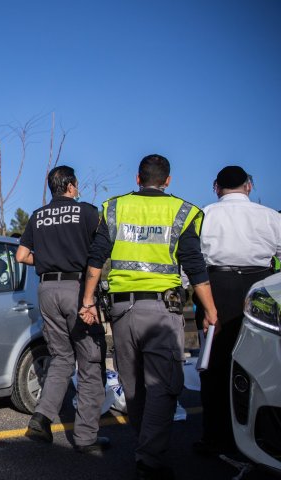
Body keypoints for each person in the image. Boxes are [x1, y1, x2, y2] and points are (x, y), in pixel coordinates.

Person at [79, 154, 218, 480]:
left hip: (121, 312)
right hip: (162, 312)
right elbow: (195, 268)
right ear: (167, 180)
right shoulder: (182, 212)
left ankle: (146, 448)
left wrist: (87, 302)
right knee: (164, 386)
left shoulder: (114, 208)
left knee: (134, 385)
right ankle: (150, 458)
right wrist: (210, 311)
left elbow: (96, 259)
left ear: (138, 179)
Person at [15, 165, 109, 453]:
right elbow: (102, 248)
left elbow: (21, 255)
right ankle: (86, 438)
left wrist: (44, 262)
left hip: (46, 290)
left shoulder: (38, 215)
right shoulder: (87, 212)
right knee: (90, 362)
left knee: (61, 359)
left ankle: (41, 418)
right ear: (71, 186)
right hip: (78, 290)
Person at [195, 166, 281, 456]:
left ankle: (213, 436)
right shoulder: (270, 216)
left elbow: (190, 260)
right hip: (261, 289)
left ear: (216, 187)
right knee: (261, 363)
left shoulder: (203, 215)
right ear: (249, 186)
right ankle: (260, 436)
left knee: (214, 365)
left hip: (214, 287)